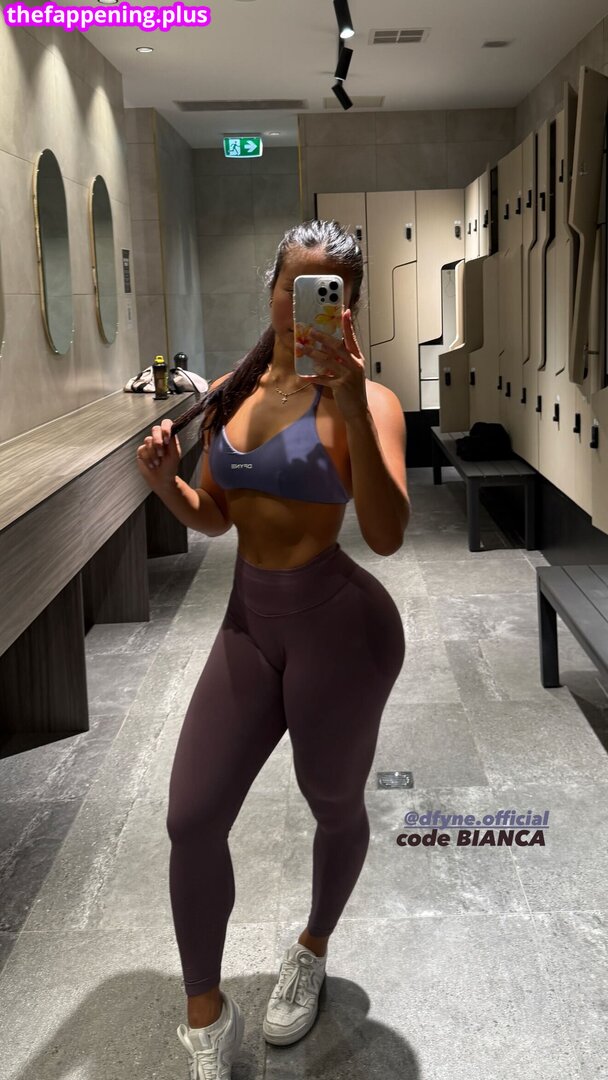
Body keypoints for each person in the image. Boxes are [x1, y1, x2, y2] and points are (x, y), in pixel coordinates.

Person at [135, 219, 410, 1079]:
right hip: (249, 626)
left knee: (333, 802)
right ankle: (205, 1016)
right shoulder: (230, 392)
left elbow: (386, 535)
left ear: (350, 307)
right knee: (191, 818)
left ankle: (313, 947)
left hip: (343, 633)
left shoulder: (372, 403)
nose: (308, 306)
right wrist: (166, 486)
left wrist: (351, 398)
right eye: (297, 289)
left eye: (331, 293)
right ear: (274, 292)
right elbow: (216, 518)